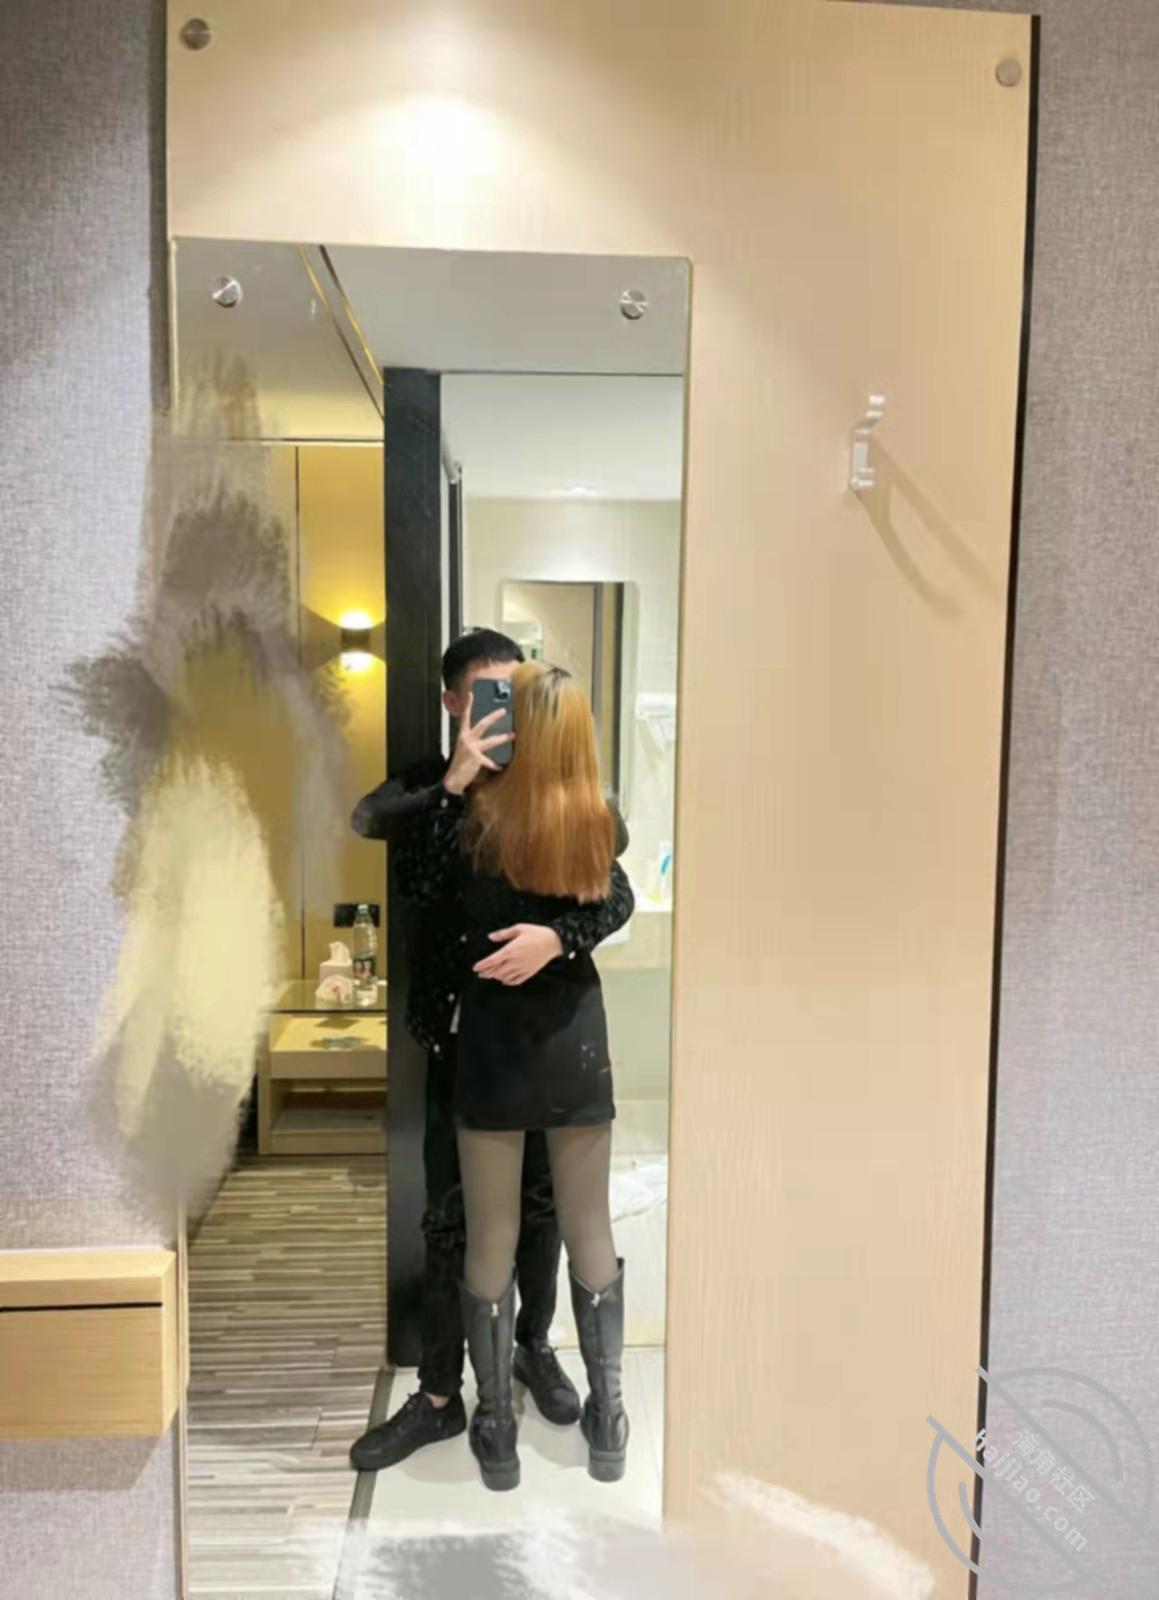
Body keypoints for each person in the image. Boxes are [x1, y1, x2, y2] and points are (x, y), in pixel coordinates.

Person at [348, 630, 634, 1472]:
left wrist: (556, 937)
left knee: (536, 1218)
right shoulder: (450, 792)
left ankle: (521, 1377)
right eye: (488, 695)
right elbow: (384, 840)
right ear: (453, 702)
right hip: (469, 1036)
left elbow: (612, 892)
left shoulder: (548, 803)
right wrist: (451, 783)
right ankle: (465, 1398)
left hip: (533, 1036)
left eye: (517, 695)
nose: (504, 712)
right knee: (465, 1219)